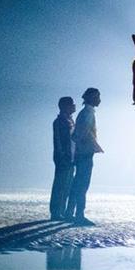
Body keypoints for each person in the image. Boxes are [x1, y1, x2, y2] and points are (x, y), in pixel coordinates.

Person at [66, 88, 103, 225]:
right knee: (82, 184)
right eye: (98, 97)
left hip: (82, 152)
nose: (99, 100)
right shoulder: (88, 113)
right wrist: (84, 148)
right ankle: (78, 215)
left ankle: (70, 212)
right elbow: (80, 134)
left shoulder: (85, 113)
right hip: (85, 153)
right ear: (92, 98)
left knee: (77, 183)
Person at [49, 96, 76, 220]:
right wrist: (61, 156)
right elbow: (58, 141)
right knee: (60, 185)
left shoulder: (70, 120)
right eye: (71, 104)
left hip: (70, 157)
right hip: (63, 158)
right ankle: (55, 212)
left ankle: (61, 211)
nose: (74, 106)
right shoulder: (59, 122)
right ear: (65, 106)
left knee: (67, 185)